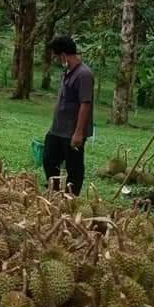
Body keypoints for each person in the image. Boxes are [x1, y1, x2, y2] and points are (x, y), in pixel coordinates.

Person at [43, 35, 94, 196]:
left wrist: (78, 133)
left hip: (72, 131)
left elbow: (85, 104)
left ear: (64, 55)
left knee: (74, 167)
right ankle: (55, 191)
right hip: (58, 129)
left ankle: (71, 197)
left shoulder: (84, 74)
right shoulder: (68, 71)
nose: (56, 60)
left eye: (57, 56)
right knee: (49, 159)